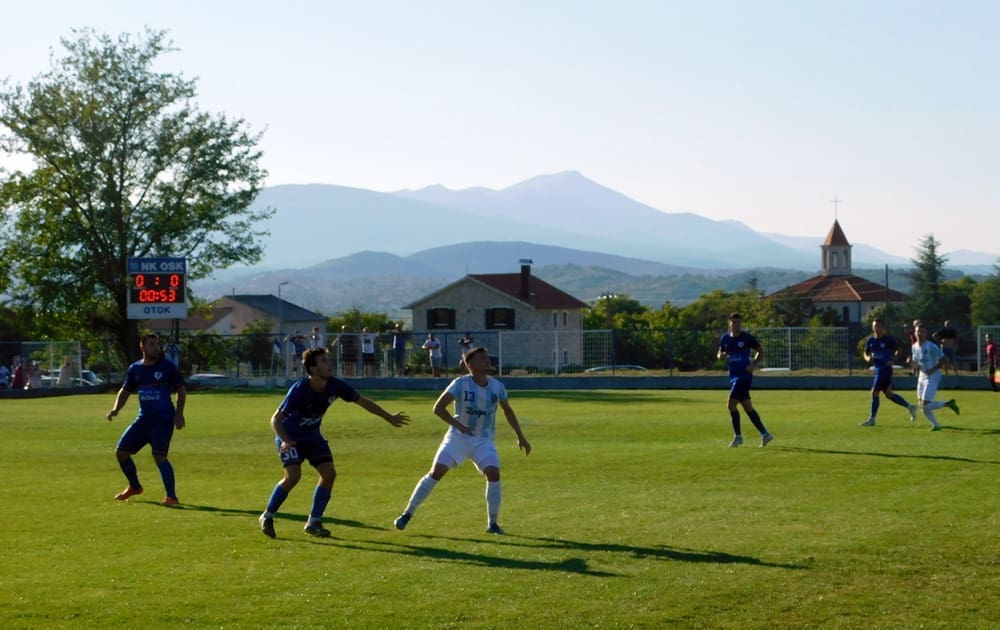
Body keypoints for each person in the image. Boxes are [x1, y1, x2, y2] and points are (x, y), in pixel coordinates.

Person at [258, 347, 410, 538]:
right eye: (323, 361)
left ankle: (313, 522)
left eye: (328, 359)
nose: (329, 364)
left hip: (312, 436)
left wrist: (389, 417)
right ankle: (267, 516)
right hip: (290, 437)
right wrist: (285, 440)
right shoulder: (299, 390)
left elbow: (362, 401)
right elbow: (276, 419)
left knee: (329, 474)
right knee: (293, 476)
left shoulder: (335, 385)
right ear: (313, 369)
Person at [393, 346, 531, 535]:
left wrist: (521, 437)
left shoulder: (497, 386)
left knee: (493, 473)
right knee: (437, 471)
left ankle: (493, 524)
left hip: (483, 440)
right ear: (470, 365)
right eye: (481, 358)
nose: (487, 361)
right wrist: (459, 426)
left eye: (487, 357)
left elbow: (508, 410)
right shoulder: (460, 384)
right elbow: (438, 408)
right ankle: (407, 513)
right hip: (457, 438)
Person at [106, 331, 186, 505]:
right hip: (143, 420)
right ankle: (134, 486)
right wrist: (115, 409)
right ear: (142, 347)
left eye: (157, 345)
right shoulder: (135, 369)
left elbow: (181, 390)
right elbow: (125, 390)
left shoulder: (167, 367)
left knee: (159, 456)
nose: (156, 348)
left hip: (163, 420)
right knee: (121, 452)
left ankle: (171, 497)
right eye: (151, 345)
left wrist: (179, 413)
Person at [717, 312, 774, 448]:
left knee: (731, 405)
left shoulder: (747, 338)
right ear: (729, 323)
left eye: (739, 322)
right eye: (734, 322)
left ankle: (738, 437)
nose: (736, 325)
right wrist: (720, 356)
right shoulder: (725, 338)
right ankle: (765, 434)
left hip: (743, 377)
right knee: (747, 407)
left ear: (741, 323)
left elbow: (760, 351)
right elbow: (720, 353)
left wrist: (754, 365)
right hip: (733, 376)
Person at [860, 318, 918, 426]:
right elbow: (866, 352)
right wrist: (867, 358)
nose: (877, 328)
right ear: (872, 327)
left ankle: (872, 419)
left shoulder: (888, 340)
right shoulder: (871, 341)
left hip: (885, 370)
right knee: (888, 394)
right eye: (875, 326)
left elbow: (899, 350)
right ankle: (910, 407)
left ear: (883, 328)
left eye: (879, 326)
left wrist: (893, 360)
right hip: (877, 369)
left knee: (874, 392)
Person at [909, 323, 960, 430]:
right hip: (922, 376)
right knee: (922, 405)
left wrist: (932, 369)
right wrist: (910, 362)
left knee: (925, 404)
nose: (919, 333)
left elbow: (944, 359)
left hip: (933, 376)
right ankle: (937, 425)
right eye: (917, 331)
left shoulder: (931, 346)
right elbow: (916, 363)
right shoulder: (914, 347)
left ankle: (948, 404)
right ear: (914, 333)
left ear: (926, 333)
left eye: (922, 331)